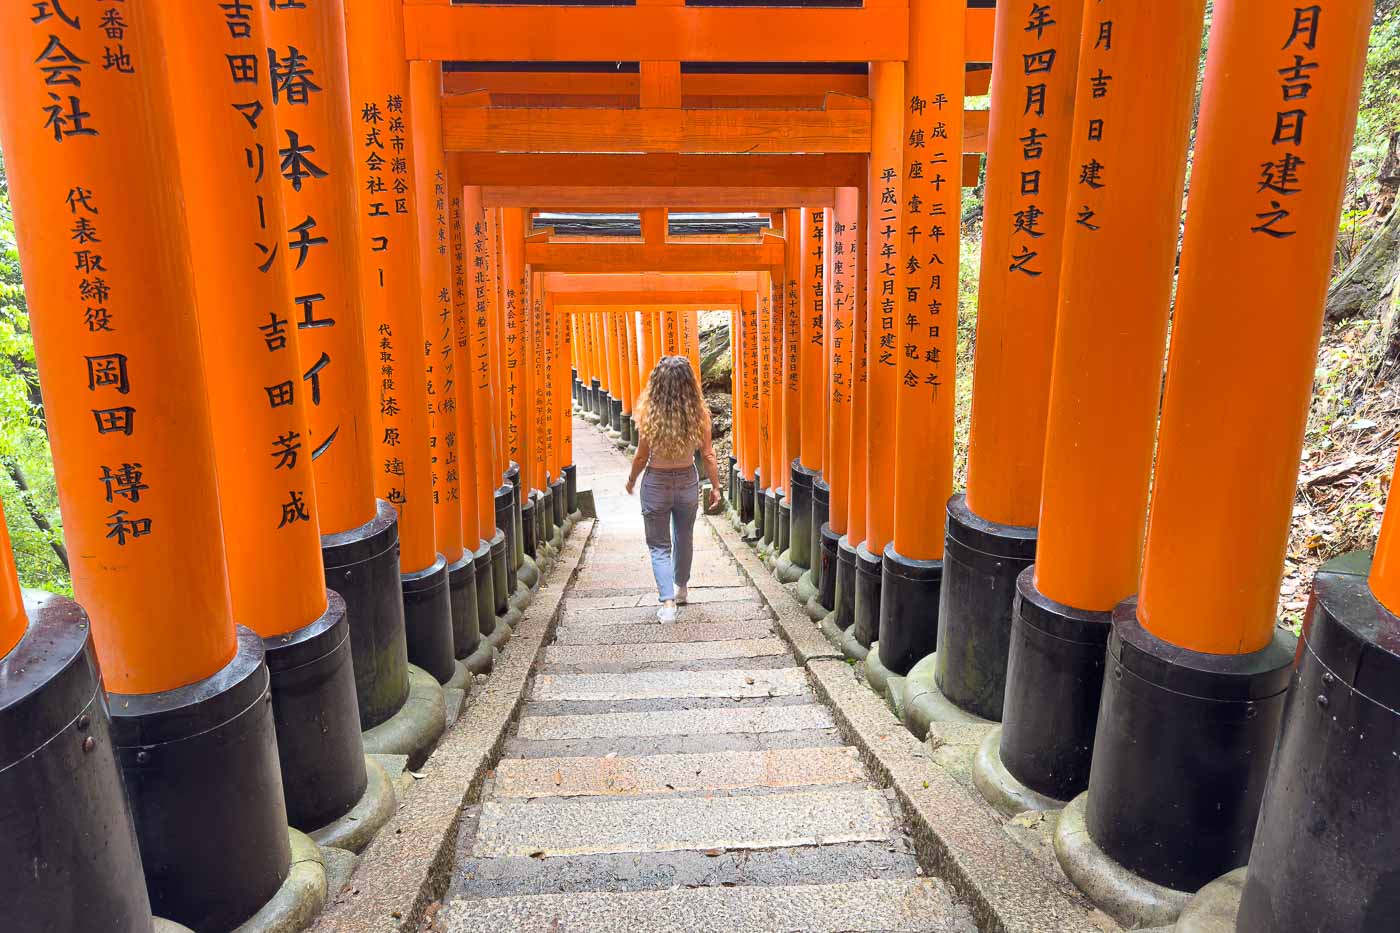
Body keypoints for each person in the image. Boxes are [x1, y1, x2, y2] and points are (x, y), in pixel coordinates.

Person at [625, 355, 723, 621]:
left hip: (656, 481)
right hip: (687, 482)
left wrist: (632, 479)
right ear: (689, 382)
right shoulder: (699, 413)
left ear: (657, 382)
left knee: (659, 545)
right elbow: (708, 455)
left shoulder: (649, 412)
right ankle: (681, 588)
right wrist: (716, 487)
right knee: (684, 536)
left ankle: (667, 603)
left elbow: (641, 456)